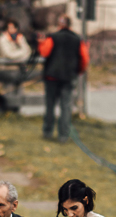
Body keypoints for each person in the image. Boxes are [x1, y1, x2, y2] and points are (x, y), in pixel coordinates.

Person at [38, 14, 89, 142]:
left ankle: (48, 131)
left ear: (60, 24)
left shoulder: (52, 37)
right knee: (66, 106)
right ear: (70, 24)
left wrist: (40, 43)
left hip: (52, 76)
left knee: (50, 105)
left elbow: (44, 52)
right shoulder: (78, 39)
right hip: (69, 76)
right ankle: (63, 135)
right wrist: (79, 71)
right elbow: (84, 58)